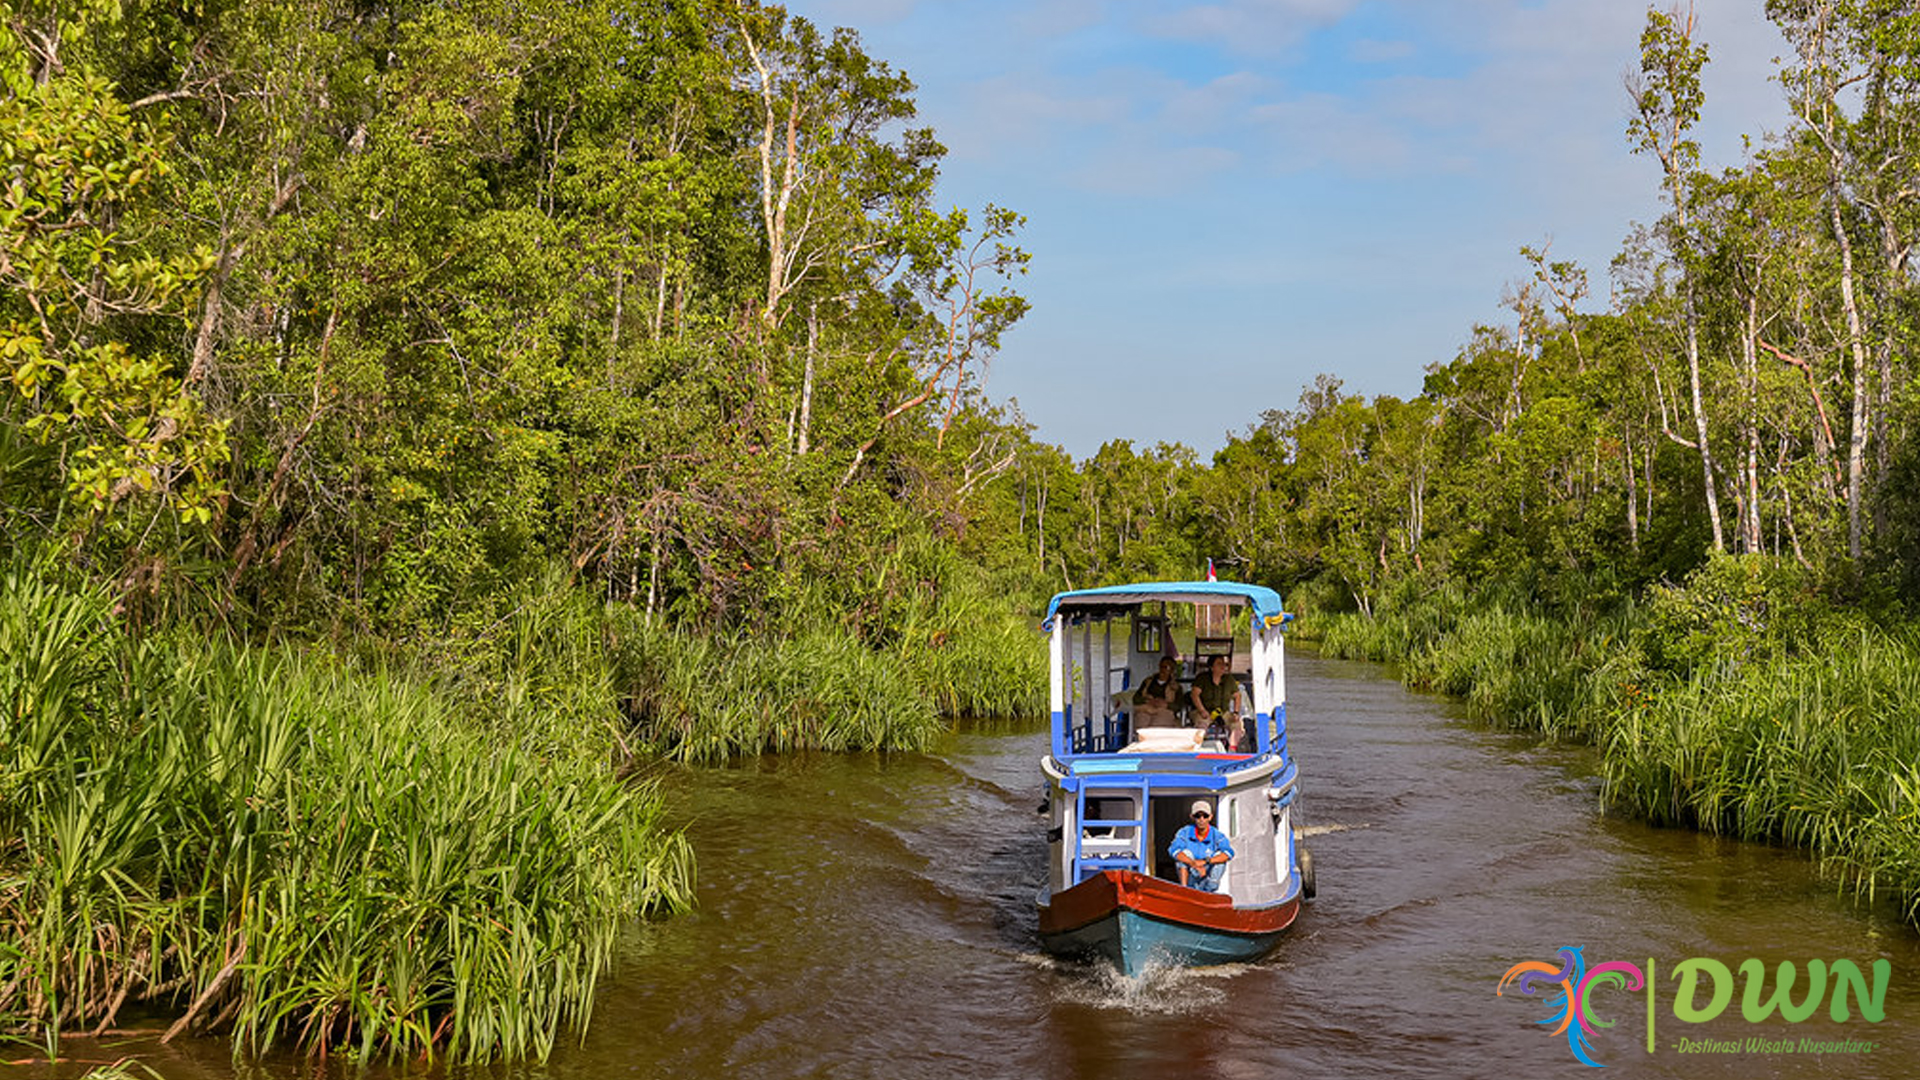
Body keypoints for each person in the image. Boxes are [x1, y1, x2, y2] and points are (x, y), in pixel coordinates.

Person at [1169, 800, 1234, 892]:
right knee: (1184, 853)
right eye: (1198, 816)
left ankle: (1209, 891)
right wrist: (1194, 864)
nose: (1201, 819)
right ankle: (1184, 890)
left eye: (1205, 816)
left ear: (1210, 817)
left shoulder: (1217, 835)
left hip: (1207, 878)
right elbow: (1173, 850)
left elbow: (1229, 853)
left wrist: (1205, 861)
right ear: (1192, 817)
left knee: (1220, 857)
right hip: (1191, 876)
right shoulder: (1184, 832)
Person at [1188, 654, 1244, 750]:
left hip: (1223, 711)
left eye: (1224, 663)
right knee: (1202, 725)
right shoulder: (1202, 678)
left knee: (1237, 724)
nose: (1223, 666)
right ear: (1211, 667)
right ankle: (1199, 748)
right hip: (1204, 710)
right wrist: (1202, 710)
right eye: (1219, 663)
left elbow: (1237, 696)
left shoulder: (1229, 679)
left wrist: (1236, 712)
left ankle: (1232, 749)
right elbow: (1194, 694)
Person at [1131, 655, 1182, 726]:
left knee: (1157, 725)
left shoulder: (1176, 687)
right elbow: (1135, 699)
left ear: (1172, 670)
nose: (1162, 670)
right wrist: (1147, 700)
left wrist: (1166, 705)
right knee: (1141, 722)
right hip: (1146, 708)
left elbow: (1179, 706)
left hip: (1164, 710)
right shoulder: (1148, 682)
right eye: (1161, 666)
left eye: (1166, 667)